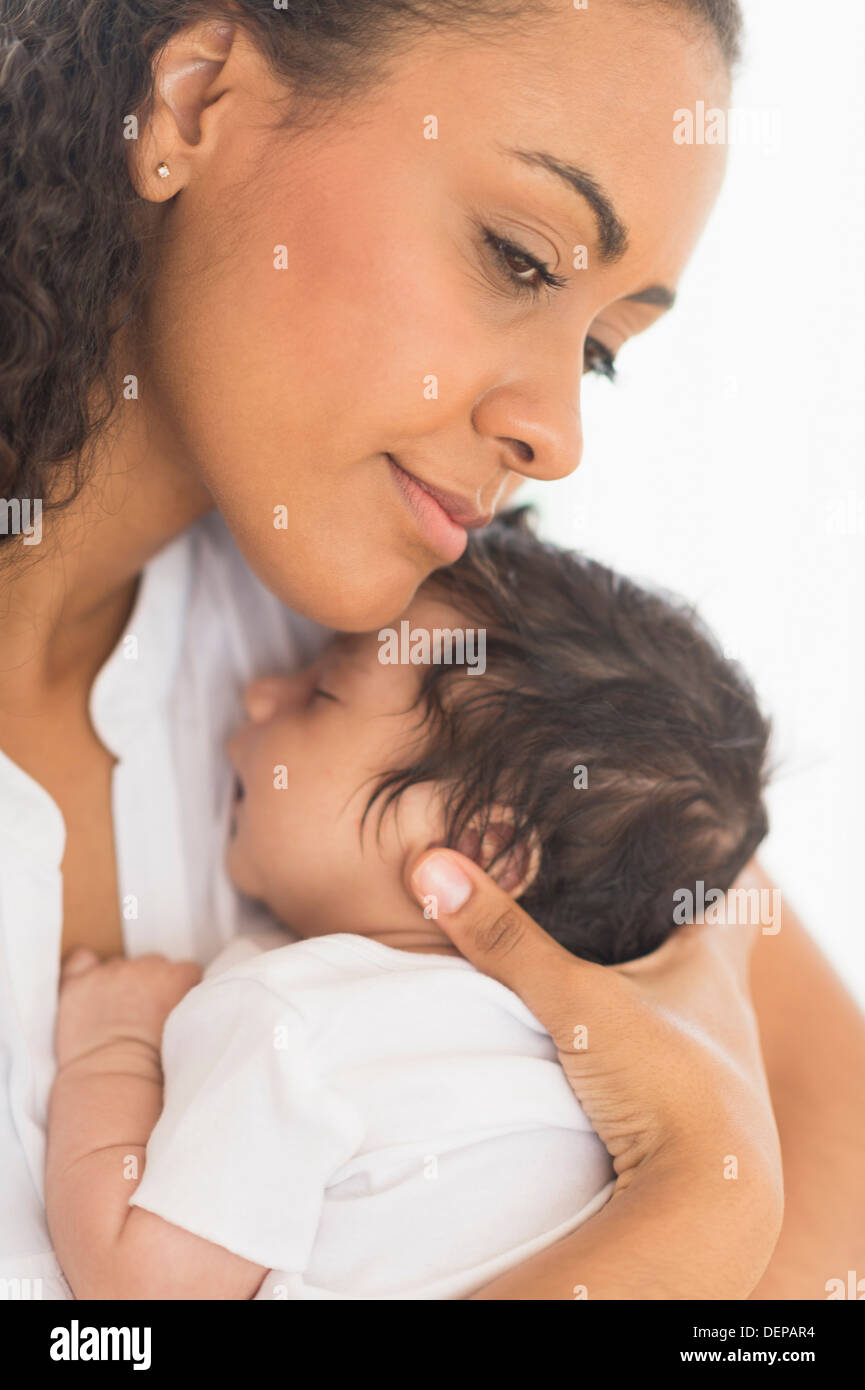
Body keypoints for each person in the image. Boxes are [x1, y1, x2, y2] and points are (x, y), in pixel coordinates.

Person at [1, 1, 863, 1301]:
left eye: (600, 353)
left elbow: (835, 1136)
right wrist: (690, 1202)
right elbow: (743, 1184)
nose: (560, 434)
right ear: (192, 106)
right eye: (519, 256)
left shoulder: (413, 662)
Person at [45, 513, 774, 1299]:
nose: (261, 694)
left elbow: (143, 1291)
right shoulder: (593, 1075)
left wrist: (110, 1049)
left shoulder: (291, 1018)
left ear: (483, 853)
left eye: (321, 692)